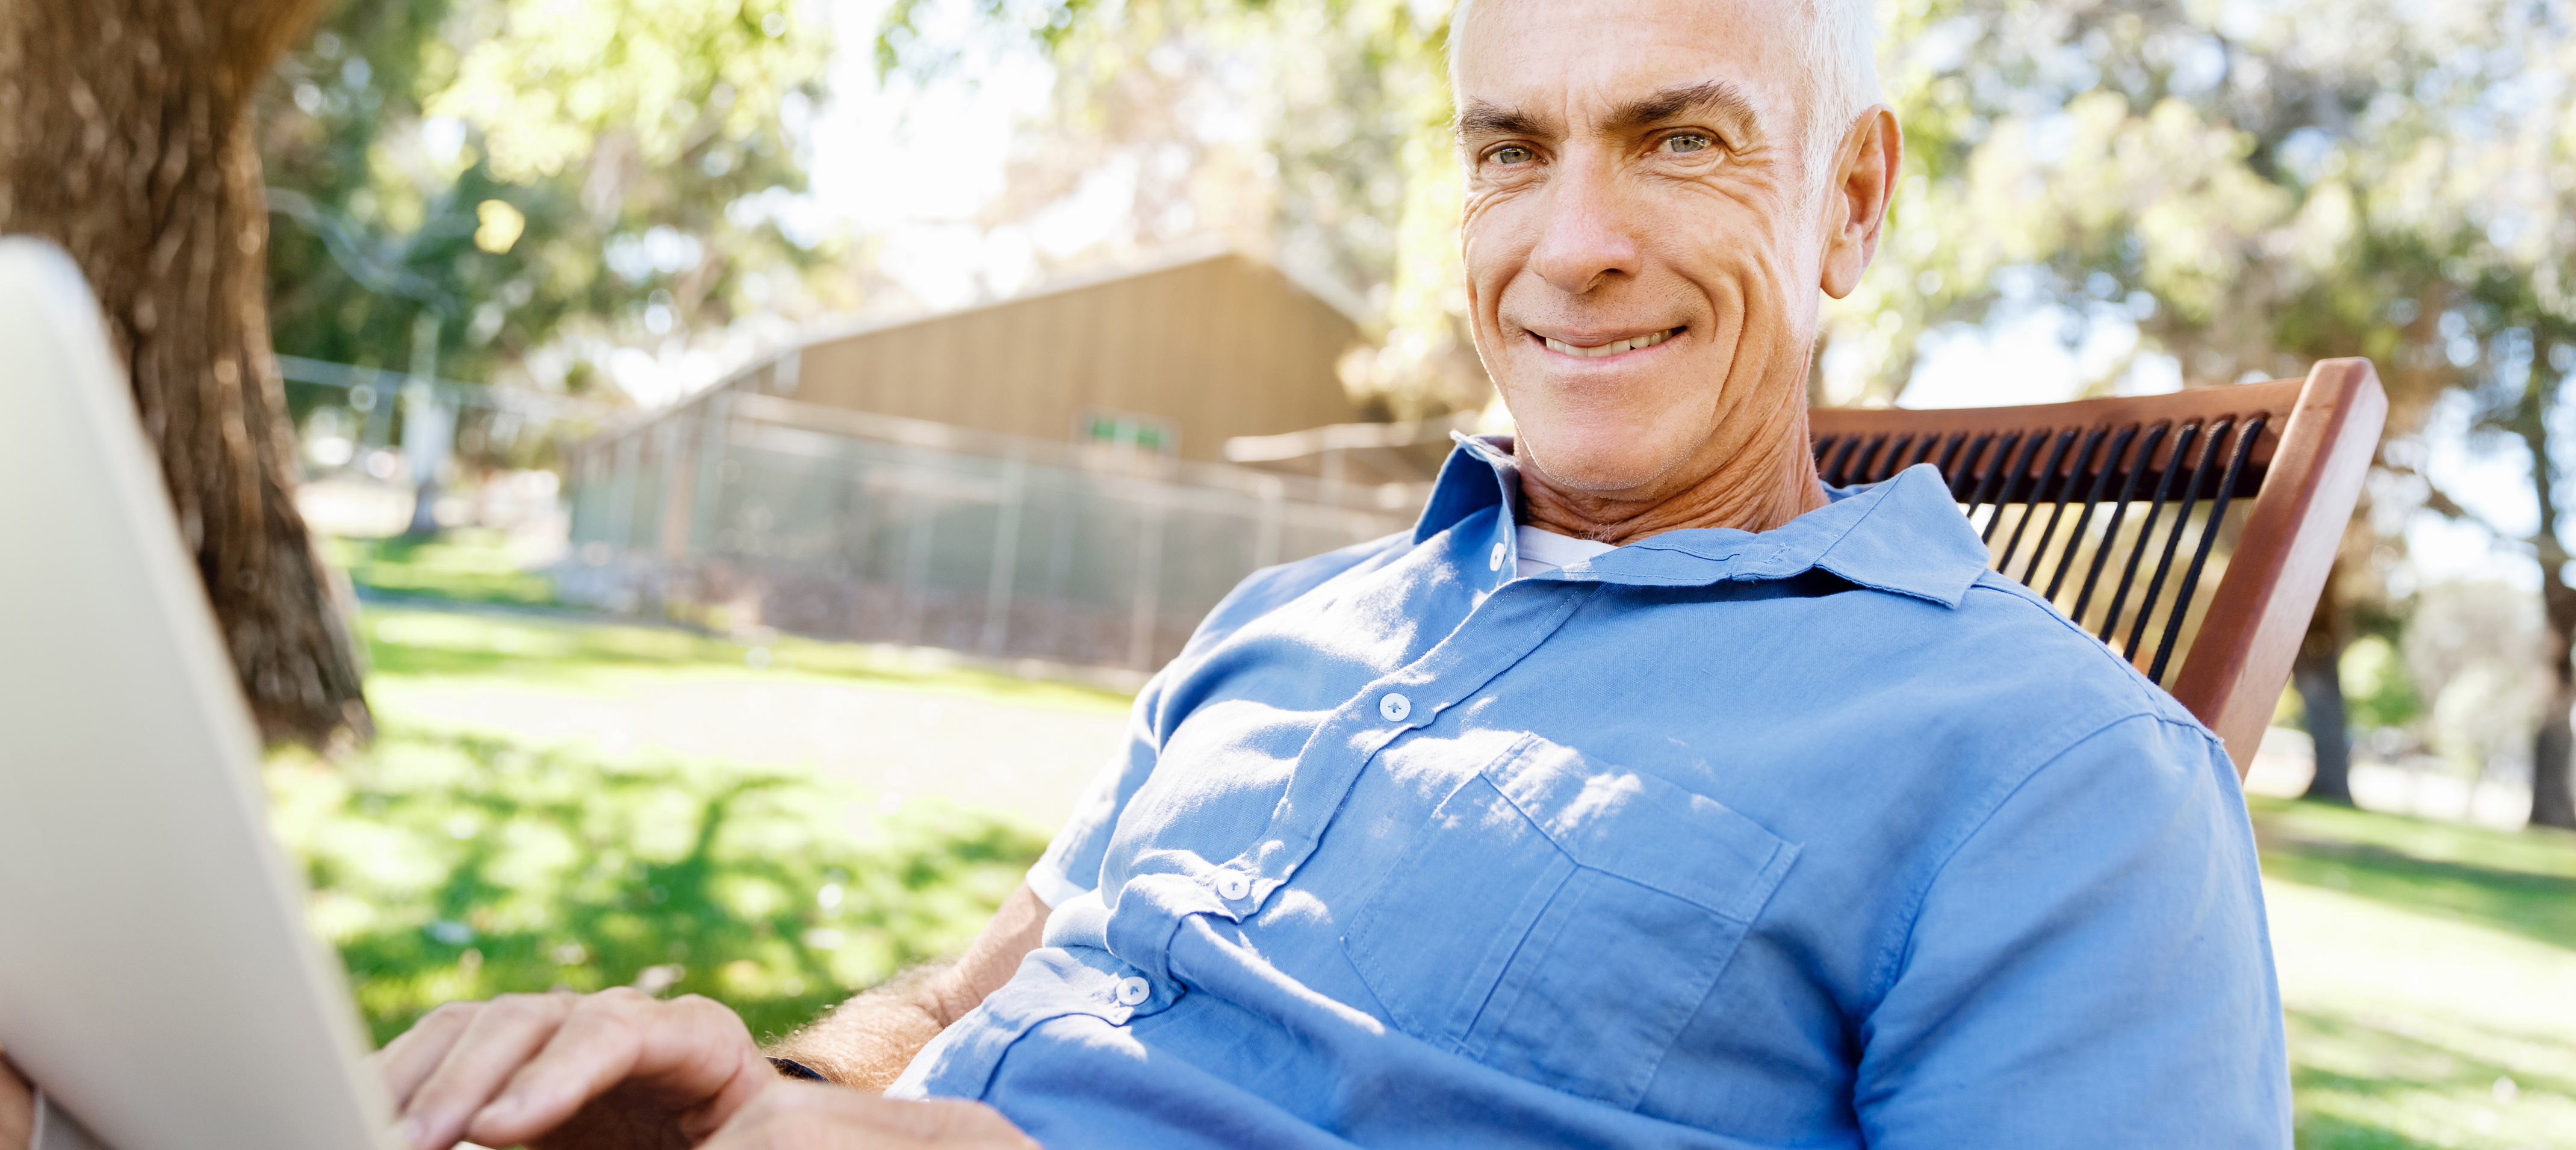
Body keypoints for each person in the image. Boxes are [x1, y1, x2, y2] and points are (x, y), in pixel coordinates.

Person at [11, 0, 2291, 1146]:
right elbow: (974, 981)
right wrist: (766, 1084)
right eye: (1512, 153)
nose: (1573, 242)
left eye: (1678, 140)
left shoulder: (2055, 778)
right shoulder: (1290, 627)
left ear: (1857, 206)